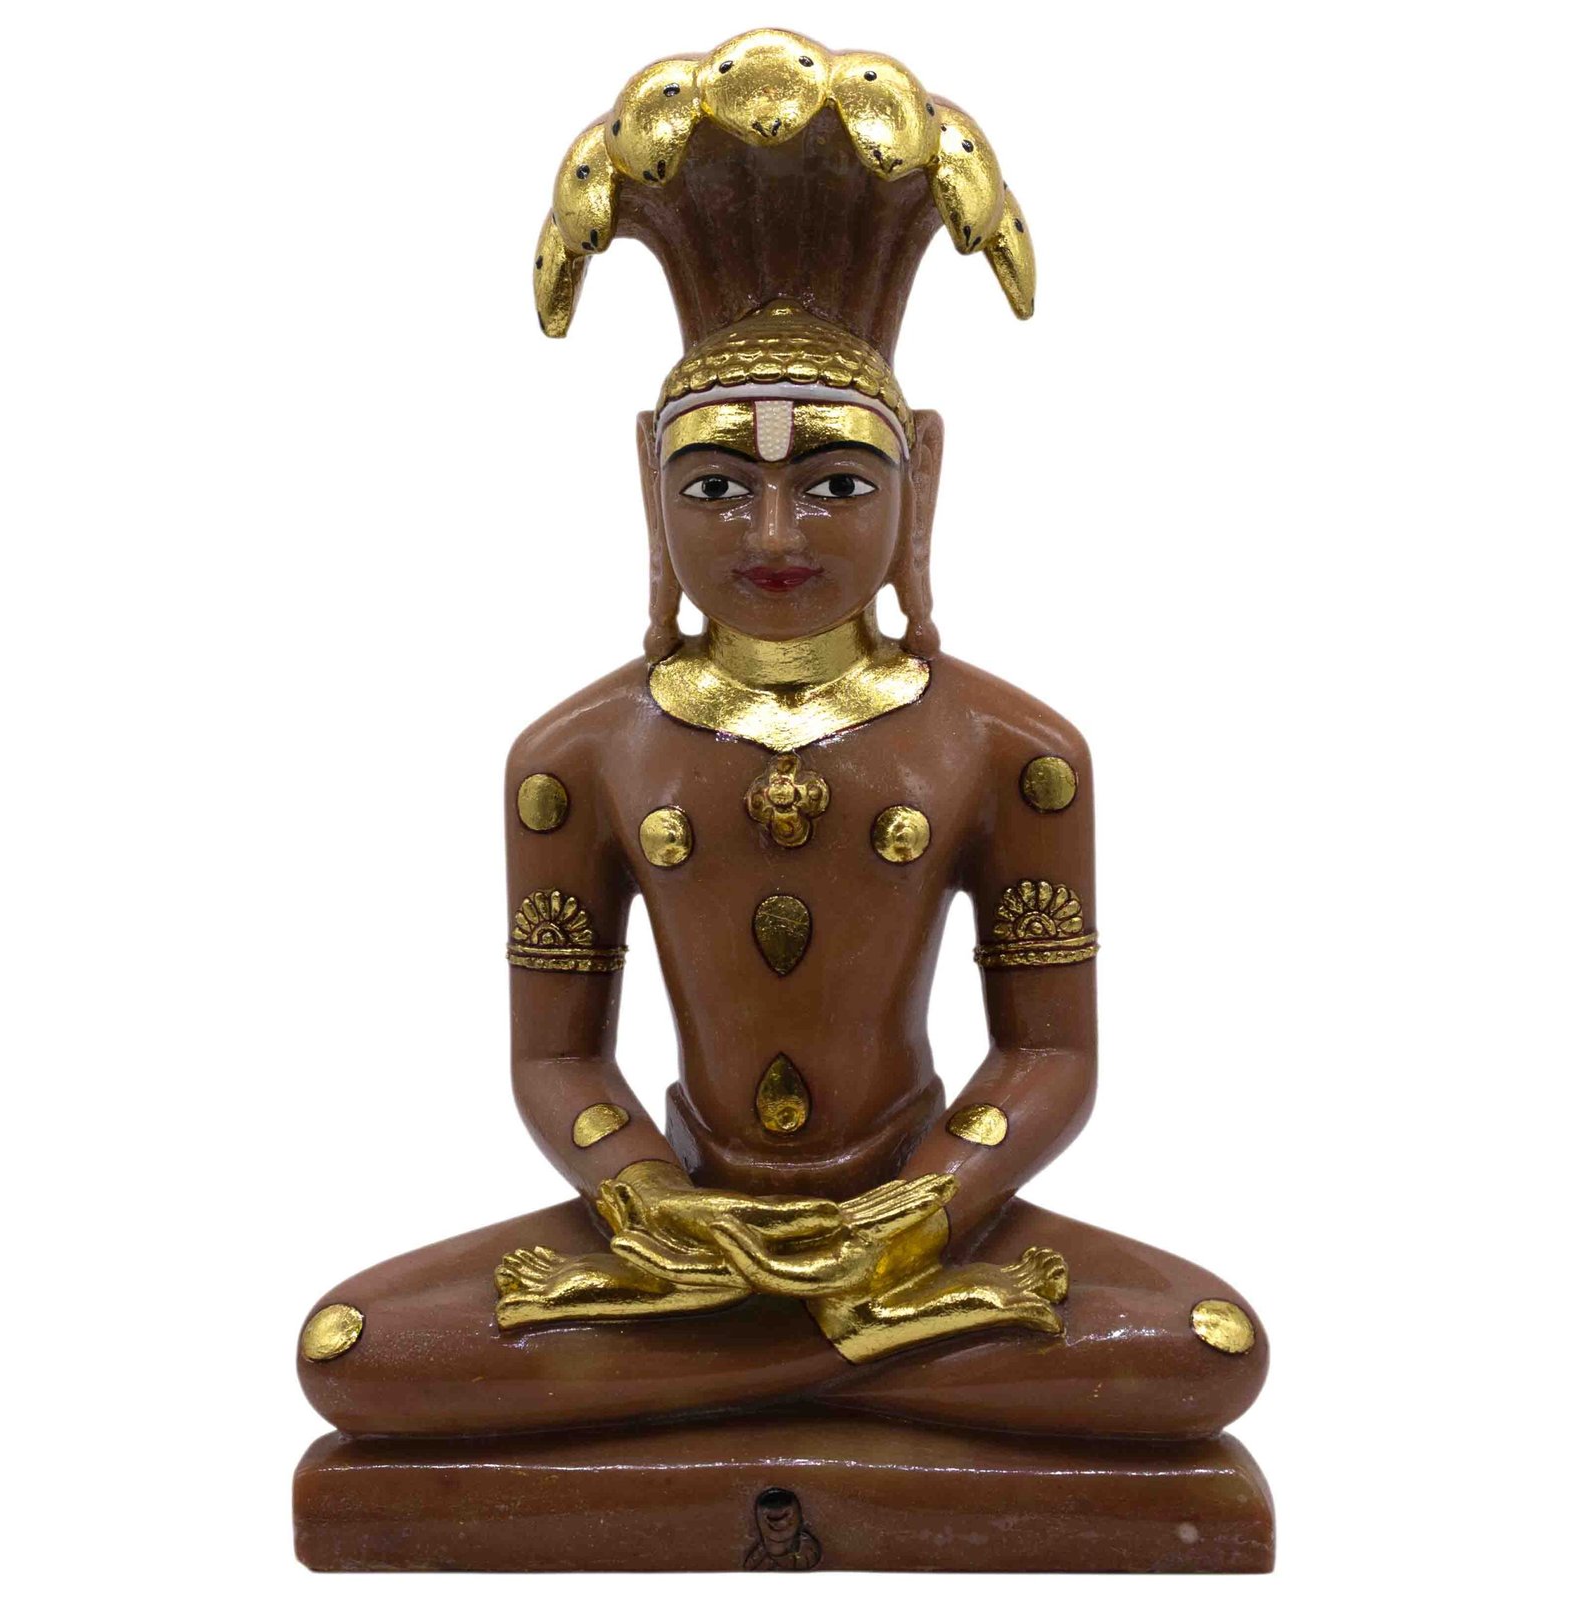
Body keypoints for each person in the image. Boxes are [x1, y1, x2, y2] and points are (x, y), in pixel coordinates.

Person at [297, 30, 1266, 1447]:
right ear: (647, 490)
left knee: (1205, 1343)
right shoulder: (577, 758)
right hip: (680, 1227)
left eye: (834, 483)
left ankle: (735, 1360)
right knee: (352, 1347)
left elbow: (1051, 1056)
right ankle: (853, 1354)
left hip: (924, 1210)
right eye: (713, 486)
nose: (770, 531)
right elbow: (556, 1064)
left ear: (919, 485)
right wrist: (647, 1196)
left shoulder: (1011, 749)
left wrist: (926, 1207)